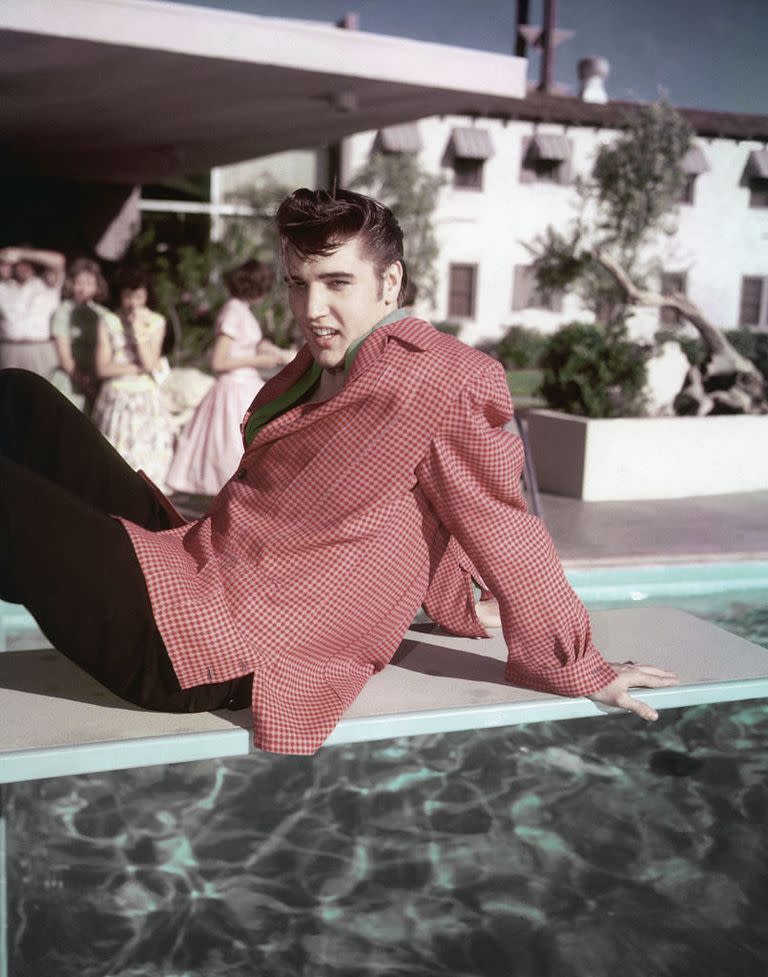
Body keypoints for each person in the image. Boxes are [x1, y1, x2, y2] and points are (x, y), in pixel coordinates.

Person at [0, 188, 678, 756]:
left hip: (205, 645)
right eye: (298, 284)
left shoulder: (443, 379)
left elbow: (504, 524)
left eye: (336, 283)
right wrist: (455, 605)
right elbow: (387, 517)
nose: (311, 308)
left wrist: (581, 663)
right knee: (22, 399)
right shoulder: (315, 366)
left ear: (390, 281)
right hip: (196, 559)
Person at [166, 258, 293, 496]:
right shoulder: (233, 312)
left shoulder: (241, 310)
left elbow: (243, 345)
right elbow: (219, 361)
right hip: (232, 389)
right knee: (230, 451)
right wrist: (259, 360)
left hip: (245, 385)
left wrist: (265, 348)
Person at [91, 267, 173, 490]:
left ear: (146, 294)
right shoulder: (108, 320)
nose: (133, 303)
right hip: (116, 396)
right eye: (128, 296)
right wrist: (138, 367)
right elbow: (102, 368)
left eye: (138, 296)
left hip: (145, 398)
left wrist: (137, 329)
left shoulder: (155, 321)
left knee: (147, 467)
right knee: (116, 461)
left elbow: (150, 362)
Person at [50, 258, 111, 413]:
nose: (84, 289)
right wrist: (87, 385)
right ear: (72, 284)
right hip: (71, 381)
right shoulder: (63, 312)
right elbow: (65, 360)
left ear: (97, 286)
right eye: (79, 283)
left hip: (99, 380)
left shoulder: (104, 314)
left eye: (89, 283)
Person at [0, 246, 64, 377]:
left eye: (28, 263)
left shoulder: (48, 286)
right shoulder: (3, 287)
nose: (24, 267)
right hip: (8, 349)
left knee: (41, 393)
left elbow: (59, 261)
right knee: (8, 393)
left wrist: (21, 254)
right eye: (20, 264)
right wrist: (5, 256)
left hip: (40, 349)